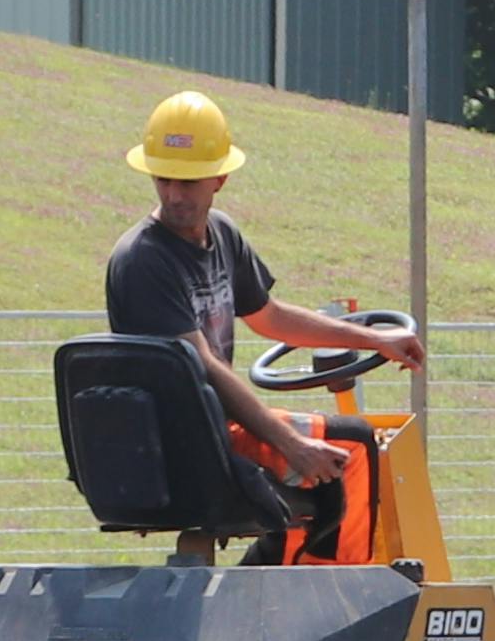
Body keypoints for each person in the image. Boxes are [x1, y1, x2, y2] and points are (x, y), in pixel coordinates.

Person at [104, 88, 420, 549]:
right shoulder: (143, 260)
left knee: (336, 457)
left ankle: (271, 587)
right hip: (184, 438)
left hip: (215, 426)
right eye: (164, 180)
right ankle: (330, 606)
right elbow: (203, 365)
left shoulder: (223, 235)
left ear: (220, 179)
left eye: (188, 182)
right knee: (353, 449)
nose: (173, 195)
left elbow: (269, 317)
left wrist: (374, 339)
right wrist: (290, 444)